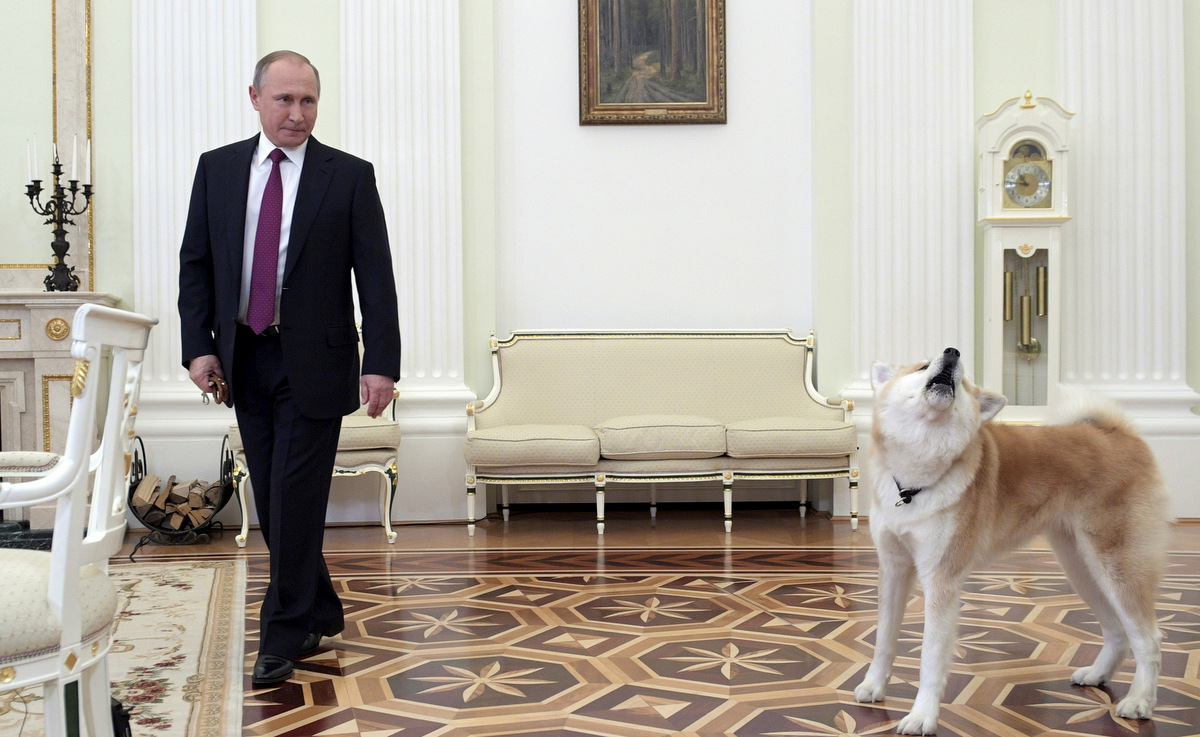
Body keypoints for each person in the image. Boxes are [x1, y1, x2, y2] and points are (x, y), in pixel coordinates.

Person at [178, 50, 401, 687]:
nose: (296, 113)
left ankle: (280, 634)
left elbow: (375, 277)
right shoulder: (217, 170)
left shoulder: (349, 176)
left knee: (295, 496)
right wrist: (200, 346)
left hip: (319, 362)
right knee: (277, 500)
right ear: (254, 98)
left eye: (308, 101)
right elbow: (196, 265)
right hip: (245, 357)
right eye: (284, 100)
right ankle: (320, 607)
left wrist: (381, 361)